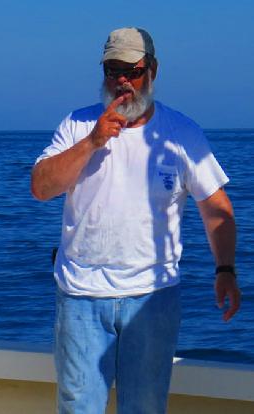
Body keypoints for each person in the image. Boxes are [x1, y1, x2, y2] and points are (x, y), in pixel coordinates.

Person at [30, 27, 241, 413]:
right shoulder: (77, 125)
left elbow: (216, 207)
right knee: (79, 406)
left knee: (144, 407)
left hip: (152, 298)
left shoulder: (182, 134)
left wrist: (225, 269)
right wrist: (92, 142)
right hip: (80, 296)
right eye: (112, 70)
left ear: (153, 71)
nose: (122, 81)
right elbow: (41, 188)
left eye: (132, 70)